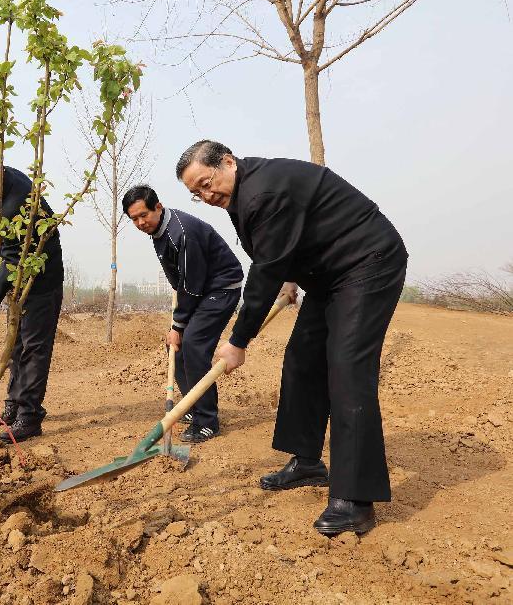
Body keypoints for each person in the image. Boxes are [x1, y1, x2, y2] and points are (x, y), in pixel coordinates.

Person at [176, 140, 408, 535]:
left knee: (348, 369)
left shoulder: (264, 191)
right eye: (196, 194)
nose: (206, 195)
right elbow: (281, 247)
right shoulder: (244, 193)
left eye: (206, 182)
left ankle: (354, 500)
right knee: (302, 359)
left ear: (228, 162)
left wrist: (238, 340)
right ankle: (307, 462)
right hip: (327, 274)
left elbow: (263, 270)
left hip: (367, 262)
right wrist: (289, 277)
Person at [122, 185, 243, 442]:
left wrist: (178, 326)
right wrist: (177, 326)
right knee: (174, 347)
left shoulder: (182, 232)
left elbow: (192, 284)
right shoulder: (158, 230)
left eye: (144, 215)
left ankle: (207, 420)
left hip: (221, 288)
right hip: (199, 289)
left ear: (158, 206)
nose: (141, 222)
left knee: (193, 344)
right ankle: (190, 404)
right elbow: (181, 279)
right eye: (134, 219)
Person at [0, 144, 64, 443]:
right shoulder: (2, 186)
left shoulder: (15, 201)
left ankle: (30, 416)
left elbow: (10, 258)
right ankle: (12, 405)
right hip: (20, 283)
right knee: (16, 345)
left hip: (40, 282)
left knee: (33, 349)